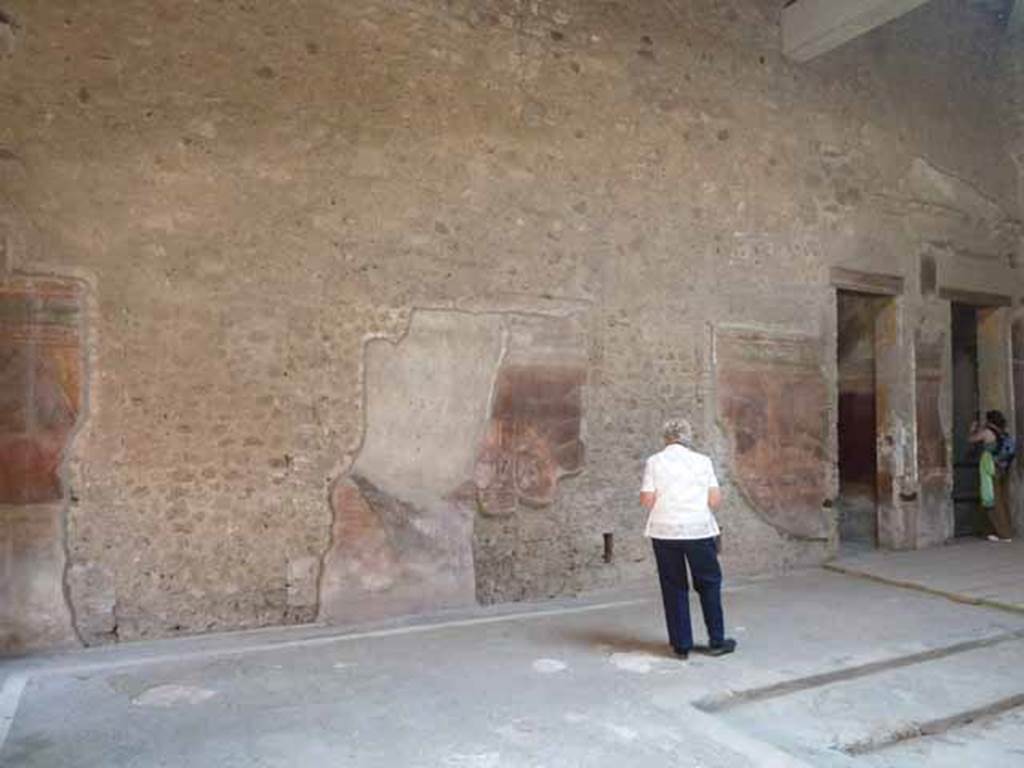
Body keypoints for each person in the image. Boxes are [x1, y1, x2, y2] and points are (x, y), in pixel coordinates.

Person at [640, 417, 736, 660]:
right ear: (688, 437)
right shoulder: (703, 461)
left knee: (673, 586)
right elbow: (714, 500)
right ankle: (716, 640)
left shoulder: (654, 461)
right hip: (698, 530)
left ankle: (681, 645)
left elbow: (647, 500)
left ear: (666, 437)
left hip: (664, 531)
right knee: (709, 584)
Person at [969, 410, 1014, 542]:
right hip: (1002, 468)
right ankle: (993, 530)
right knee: (1000, 498)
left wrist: (972, 429)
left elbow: (971, 439)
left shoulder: (987, 432)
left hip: (990, 468)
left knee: (993, 499)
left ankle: (1004, 533)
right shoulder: (1002, 433)